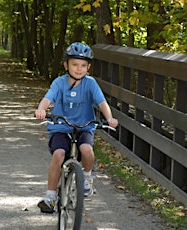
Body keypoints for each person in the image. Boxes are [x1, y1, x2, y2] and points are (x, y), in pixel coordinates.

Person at [34, 42, 118, 213]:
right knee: (59, 154)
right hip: (60, 128)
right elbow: (48, 98)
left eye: (83, 65)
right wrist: (41, 109)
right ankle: (50, 196)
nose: (79, 69)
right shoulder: (59, 83)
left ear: (88, 67)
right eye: (74, 64)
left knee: (86, 149)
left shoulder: (90, 83)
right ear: (66, 65)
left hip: (84, 127)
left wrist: (109, 118)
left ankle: (86, 178)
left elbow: (102, 102)